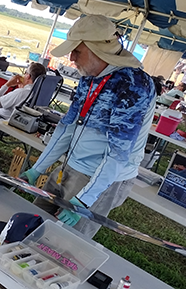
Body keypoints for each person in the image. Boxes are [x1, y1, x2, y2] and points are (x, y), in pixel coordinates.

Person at [20, 15, 157, 239]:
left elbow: (118, 153)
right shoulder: (90, 75)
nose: (71, 57)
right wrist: (39, 168)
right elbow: (68, 126)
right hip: (72, 164)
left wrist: (85, 199)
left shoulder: (134, 85)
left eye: (77, 51)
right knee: (34, 221)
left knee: (64, 242)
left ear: (98, 50)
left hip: (102, 176)